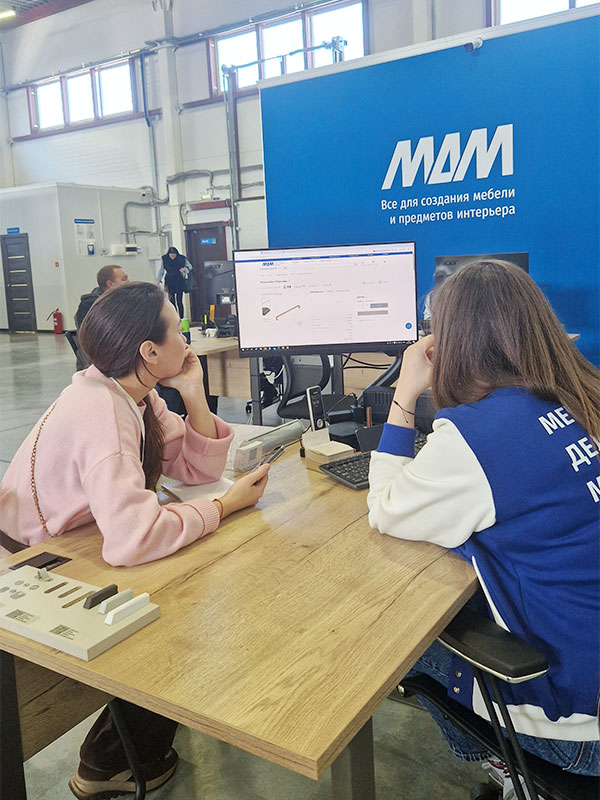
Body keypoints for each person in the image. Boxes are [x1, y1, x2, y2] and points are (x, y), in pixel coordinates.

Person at [0, 281, 271, 798]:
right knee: (178, 607)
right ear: (149, 351)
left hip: (70, 543)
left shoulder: (130, 392)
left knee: (192, 572)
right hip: (32, 566)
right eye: (177, 329)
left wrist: (192, 393)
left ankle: (125, 745)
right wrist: (222, 507)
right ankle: (110, 763)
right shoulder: (103, 413)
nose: (186, 339)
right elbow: (133, 539)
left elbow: (192, 468)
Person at [367, 260, 600, 789]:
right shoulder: (583, 394)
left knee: (399, 638)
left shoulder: (479, 435)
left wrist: (405, 393)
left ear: (453, 344)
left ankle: (504, 764)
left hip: (576, 727)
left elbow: (384, 506)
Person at [157, 246, 192, 318]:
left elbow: (190, 266)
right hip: (169, 280)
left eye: (174, 255)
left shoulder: (181, 258)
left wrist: (185, 269)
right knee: (172, 301)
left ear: (176, 254)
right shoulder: (165, 259)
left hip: (179, 280)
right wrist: (158, 281)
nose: (172, 257)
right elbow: (161, 271)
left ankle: (181, 317)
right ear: (168, 254)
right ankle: (174, 317)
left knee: (179, 301)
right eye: (171, 255)